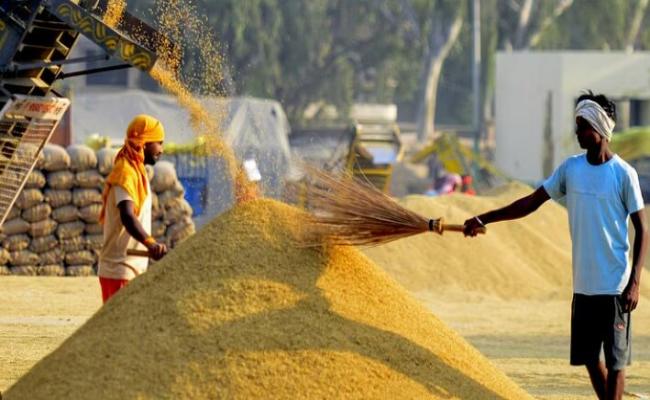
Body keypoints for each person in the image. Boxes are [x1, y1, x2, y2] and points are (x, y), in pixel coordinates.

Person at [463, 91, 648, 400]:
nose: (577, 133)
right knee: (589, 358)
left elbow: (643, 230)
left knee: (616, 362)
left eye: (582, 126)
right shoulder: (571, 170)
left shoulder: (623, 175)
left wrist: (635, 283)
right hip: (584, 286)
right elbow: (531, 203)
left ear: (600, 128)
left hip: (615, 286)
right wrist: (484, 218)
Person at [98, 115, 168, 303]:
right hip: (119, 268)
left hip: (133, 268)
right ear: (144, 143)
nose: (162, 150)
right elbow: (127, 217)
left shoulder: (138, 171)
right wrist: (151, 243)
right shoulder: (125, 172)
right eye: (159, 143)